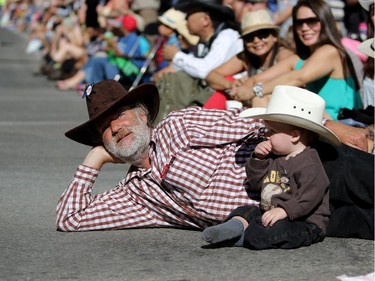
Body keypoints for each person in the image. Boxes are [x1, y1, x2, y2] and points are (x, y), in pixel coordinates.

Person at [56, 79, 373, 240]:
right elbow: (69, 219)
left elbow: (249, 124)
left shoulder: (178, 126)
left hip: (301, 162)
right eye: (104, 129)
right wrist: (94, 159)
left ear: (142, 114)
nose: (115, 128)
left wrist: (326, 126)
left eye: (120, 115)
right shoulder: (134, 196)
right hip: (285, 215)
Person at [202, 85, 338, 249]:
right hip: (271, 213)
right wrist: (258, 159)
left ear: (294, 136)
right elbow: (256, 182)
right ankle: (234, 227)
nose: (266, 135)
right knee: (245, 210)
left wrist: (285, 211)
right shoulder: (275, 157)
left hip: (304, 221)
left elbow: (310, 196)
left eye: (272, 131)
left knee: (273, 231)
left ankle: (240, 238)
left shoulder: (309, 162)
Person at [229, 0, 363, 120]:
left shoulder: (330, 51)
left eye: (311, 21)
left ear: (324, 21)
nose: (304, 28)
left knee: (261, 97)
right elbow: (256, 79)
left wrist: (253, 91)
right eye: (299, 23)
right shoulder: (298, 59)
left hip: (340, 124)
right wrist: (240, 87)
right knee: (261, 98)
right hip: (313, 121)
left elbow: (299, 77)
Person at [155, 0, 243, 123]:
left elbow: (206, 70)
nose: (185, 20)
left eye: (189, 15)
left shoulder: (227, 36)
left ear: (205, 20)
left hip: (227, 97)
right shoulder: (203, 43)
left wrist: (176, 56)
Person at [204, 9, 294, 109]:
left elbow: (287, 81)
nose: (256, 40)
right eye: (249, 37)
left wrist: (249, 84)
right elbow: (211, 75)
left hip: (279, 107)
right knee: (224, 88)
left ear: (274, 37)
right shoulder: (246, 57)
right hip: (254, 107)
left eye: (262, 34)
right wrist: (231, 84)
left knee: (258, 96)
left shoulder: (284, 55)